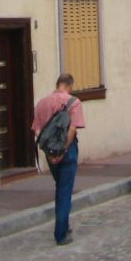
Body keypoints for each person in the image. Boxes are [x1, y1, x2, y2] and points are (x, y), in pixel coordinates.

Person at [32, 73, 86, 246]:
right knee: (64, 190)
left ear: (57, 85)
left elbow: (38, 131)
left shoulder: (41, 103)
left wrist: (49, 152)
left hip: (49, 152)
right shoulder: (74, 102)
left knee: (60, 187)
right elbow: (72, 129)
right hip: (68, 150)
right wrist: (63, 150)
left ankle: (64, 226)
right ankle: (61, 234)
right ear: (70, 86)